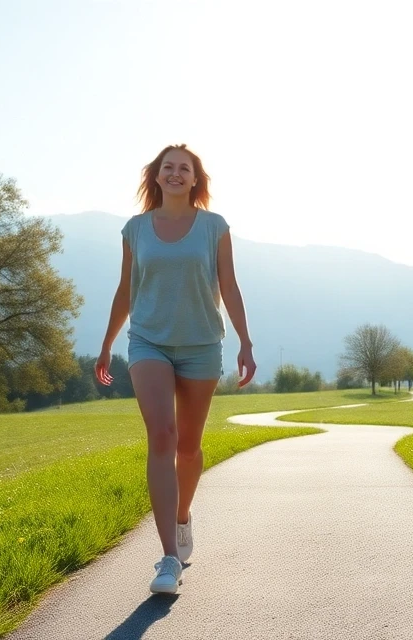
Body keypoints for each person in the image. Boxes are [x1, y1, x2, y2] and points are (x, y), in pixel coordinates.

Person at [95, 144, 256, 595]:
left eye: (184, 168)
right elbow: (126, 290)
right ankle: (168, 557)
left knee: (188, 447)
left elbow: (229, 286)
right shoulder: (135, 229)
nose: (175, 173)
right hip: (148, 341)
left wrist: (245, 341)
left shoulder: (214, 227)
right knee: (161, 437)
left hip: (202, 344)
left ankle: (183, 516)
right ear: (156, 175)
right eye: (168, 167)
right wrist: (108, 344)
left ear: (195, 179)